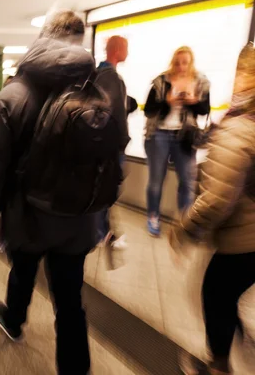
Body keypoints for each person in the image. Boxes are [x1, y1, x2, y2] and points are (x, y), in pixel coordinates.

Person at [0, 10, 116, 375]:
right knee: (70, 300)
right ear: (78, 43)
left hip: (27, 215)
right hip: (78, 217)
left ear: (42, 38)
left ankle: (14, 320)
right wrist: (104, 217)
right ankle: (74, 368)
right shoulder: (98, 91)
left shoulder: (14, 94)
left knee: (22, 271)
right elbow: (108, 160)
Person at [170, 43, 255, 375]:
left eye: (242, 72)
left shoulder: (239, 128)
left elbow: (218, 199)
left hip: (244, 238)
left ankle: (219, 366)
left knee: (214, 294)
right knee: (227, 294)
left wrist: (184, 229)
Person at [144, 46, 211, 237]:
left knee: (187, 181)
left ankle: (185, 221)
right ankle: (153, 216)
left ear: (191, 63)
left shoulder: (200, 81)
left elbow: (204, 109)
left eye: (185, 62)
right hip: (159, 134)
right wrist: (167, 101)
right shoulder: (161, 81)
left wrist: (193, 101)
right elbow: (149, 110)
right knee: (156, 180)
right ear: (173, 62)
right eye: (178, 62)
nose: (181, 66)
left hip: (185, 137)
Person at [95, 36, 130, 247]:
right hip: (109, 146)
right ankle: (100, 232)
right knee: (107, 188)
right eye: (126, 48)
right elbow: (115, 116)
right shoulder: (112, 79)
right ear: (117, 50)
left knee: (103, 188)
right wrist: (122, 142)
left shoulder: (99, 76)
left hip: (101, 144)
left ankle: (103, 230)